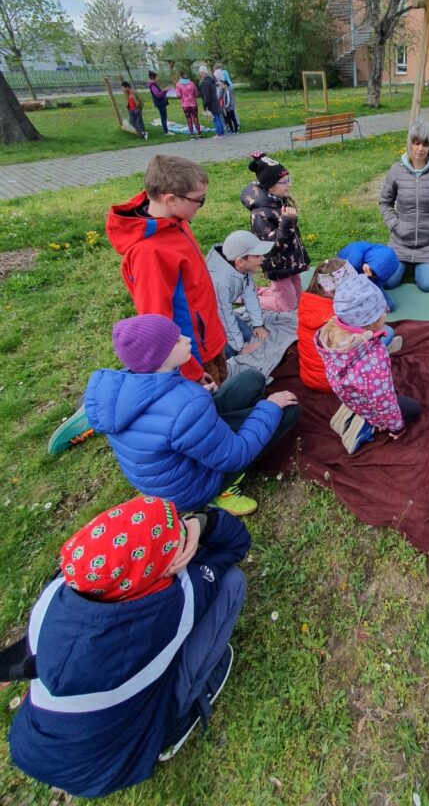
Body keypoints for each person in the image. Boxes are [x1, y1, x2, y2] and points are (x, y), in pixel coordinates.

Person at [6, 495, 250, 797]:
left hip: (34, 745)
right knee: (232, 583)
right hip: (116, 763)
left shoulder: (54, 594)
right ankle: (175, 724)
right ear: (157, 573)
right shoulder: (173, 607)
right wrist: (202, 524)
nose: (181, 532)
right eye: (174, 541)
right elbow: (236, 542)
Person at [84, 314, 299, 514]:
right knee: (287, 410)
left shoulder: (131, 382)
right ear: (160, 356)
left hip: (174, 470)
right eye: (177, 340)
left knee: (252, 379)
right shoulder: (186, 405)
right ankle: (223, 490)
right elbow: (235, 455)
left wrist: (200, 395)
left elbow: (168, 415)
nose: (187, 339)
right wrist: (270, 407)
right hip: (194, 488)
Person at [106, 155, 229, 388]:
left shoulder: (175, 221)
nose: (201, 204)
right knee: (214, 401)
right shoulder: (149, 253)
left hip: (209, 341)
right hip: (193, 355)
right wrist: (191, 371)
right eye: (199, 200)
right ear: (171, 199)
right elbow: (157, 323)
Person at [315, 274, 419, 452]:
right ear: (371, 322)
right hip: (369, 405)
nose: (386, 312)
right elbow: (384, 399)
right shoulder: (374, 359)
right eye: (382, 310)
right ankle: (367, 425)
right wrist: (396, 427)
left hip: (349, 393)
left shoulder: (328, 332)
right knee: (413, 409)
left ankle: (354, 411)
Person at [378, 121, 429, 292]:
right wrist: (394, 225)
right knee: (388, 282)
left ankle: (421, 265)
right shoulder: (396, 170)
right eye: (416, 143)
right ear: (410, 143)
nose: (420, 149)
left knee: (427, 285)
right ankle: (403, 263)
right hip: (400, 240)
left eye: (425, 144)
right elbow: (385, 202)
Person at [241, 152, 310, 312]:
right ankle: (248, 298)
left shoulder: (278, 201)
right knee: (286, 305)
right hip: (278, 266)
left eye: (289, 180)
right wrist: (287, 221)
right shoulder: (260, 213)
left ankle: (258, 291)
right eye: (284, 182)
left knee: (299, 299)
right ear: (271, 186)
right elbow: (271, 245)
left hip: (291, 262)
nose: (289, 185)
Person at [206, 230, 274, 358]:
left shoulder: (244, 269)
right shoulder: (220, 281)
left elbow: (250, 295)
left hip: (220, 313)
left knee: (248, 334)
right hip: (207, 320)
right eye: (257, 256)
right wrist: (240, 348)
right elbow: (224, 314)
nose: (263, 258)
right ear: (240, 261)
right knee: (229, 352)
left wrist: (258, 324)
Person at [297, 258, 358, 393]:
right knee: (385, 333)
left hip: (308, 376)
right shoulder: (339, 314)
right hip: (335, 382)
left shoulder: (306, 301)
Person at [337, 240, 400, 311]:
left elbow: (377, 282)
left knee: (390, 305)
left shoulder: (384, 262)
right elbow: (346, 284)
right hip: (348, 278)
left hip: (365, 270)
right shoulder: (352, 262)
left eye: (374, 275)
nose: (367, 275)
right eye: (368, 271)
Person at [198, 65, 225, 138]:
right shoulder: (211, 80)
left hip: (211, 103)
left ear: (203, 73)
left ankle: (219, 134)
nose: (200, 75)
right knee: (218, 117)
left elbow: (206, 95)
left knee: (215, 118)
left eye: (200, 73)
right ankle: (222, 133)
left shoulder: (205, 82)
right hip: (215, 101)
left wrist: (206, 105)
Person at [175, 70, 201, 138]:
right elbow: (196, 94)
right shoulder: (191, 83)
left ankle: (192, 134)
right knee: (195, 118)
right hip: (193, 103)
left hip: (185, 104)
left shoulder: (178, 84)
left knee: (188, 118)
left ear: (180, 76)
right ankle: (199, 133)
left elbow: (178, 95)